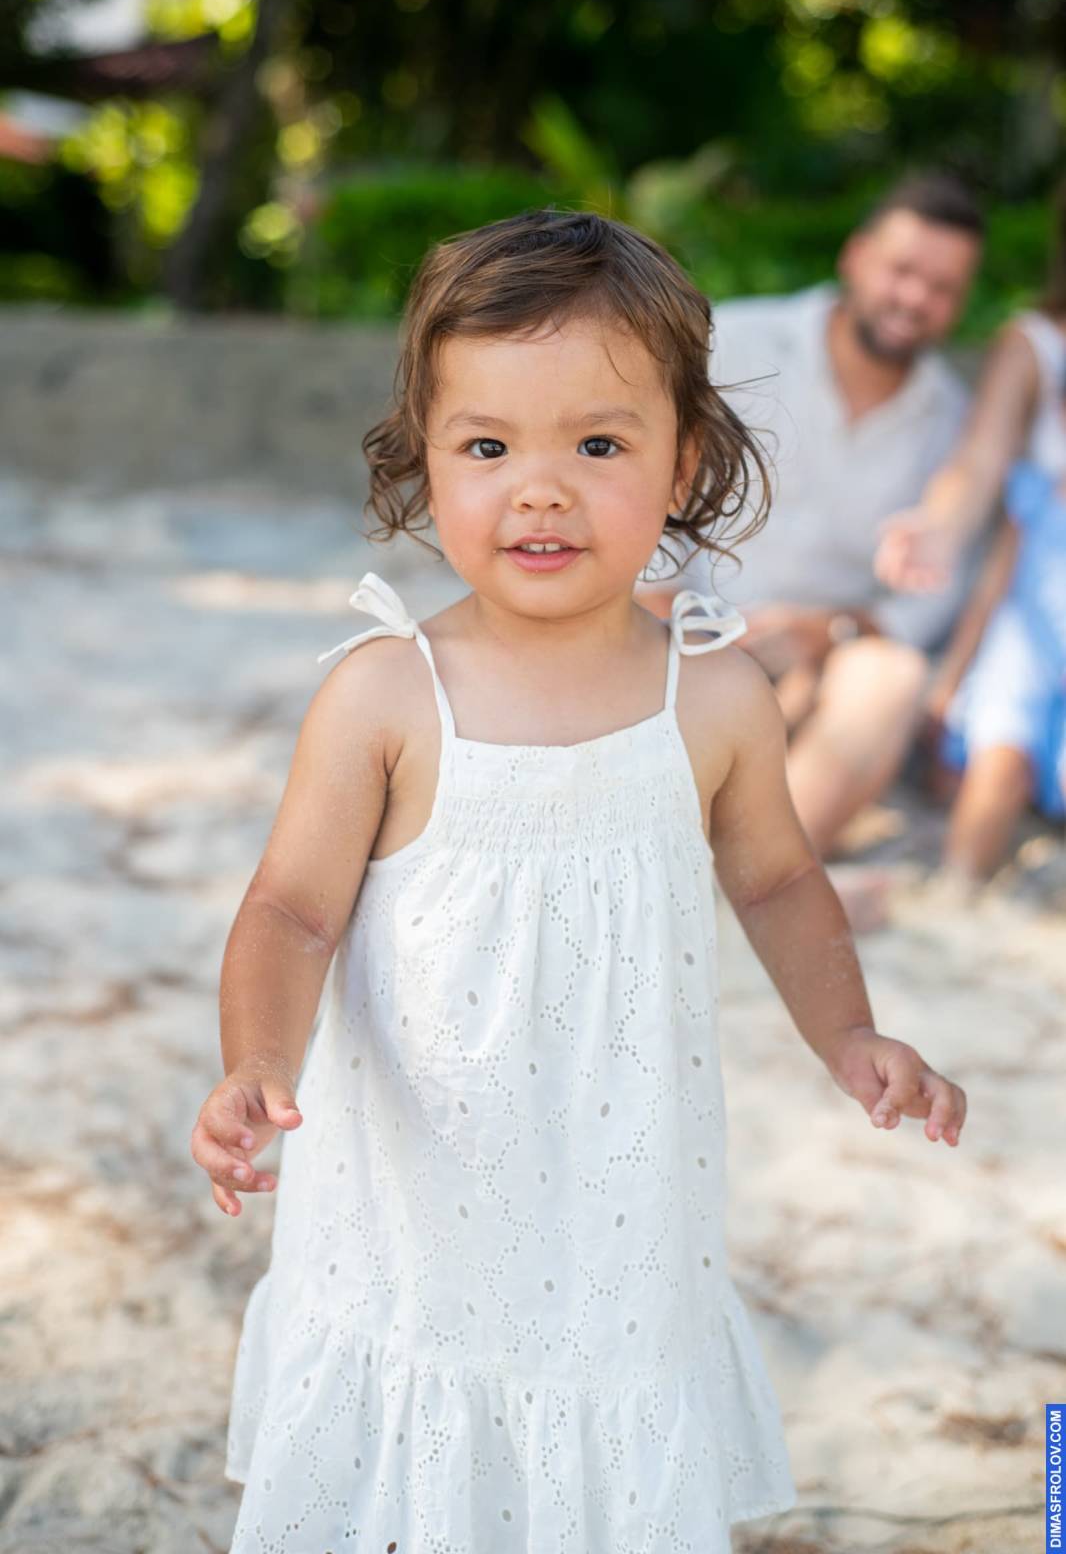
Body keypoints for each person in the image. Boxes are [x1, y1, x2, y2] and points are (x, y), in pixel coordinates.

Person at [190, 209, 967, 1552]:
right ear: (425, 459)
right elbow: (292, 909)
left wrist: (848, 1033)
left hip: (618, 1201)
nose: (539, 491)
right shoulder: (386, 695)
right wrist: (256, 1060)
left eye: (597, 446)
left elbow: (779, 883)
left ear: (683, 463)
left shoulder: (712, 694)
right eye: (487, 447)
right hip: (416, 1209)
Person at [636, 171, 986, 930]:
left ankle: (753, 873)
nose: (915, 299)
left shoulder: (952, 421)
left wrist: (827, 632)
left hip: (820, 658)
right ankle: (758, 880)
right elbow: (641, 477)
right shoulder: (735, 343)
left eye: (942, 288)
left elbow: (933, 594)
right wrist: (668, 614)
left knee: (892, 677)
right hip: (680, 627)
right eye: (902, 270)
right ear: (855, 257)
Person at [874, 178, 1066, 889]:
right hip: (1035, 617)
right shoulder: (1036, 344)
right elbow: (980, 466)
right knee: (1000, 754)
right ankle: (957, 899)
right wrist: (937, 526)